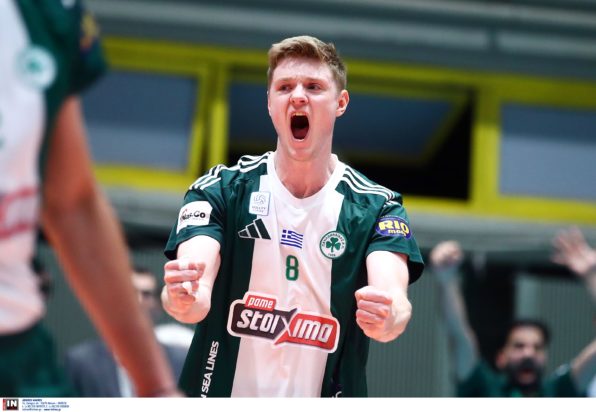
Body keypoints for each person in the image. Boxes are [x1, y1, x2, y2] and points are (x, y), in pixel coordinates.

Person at [161, 35, 425, 397]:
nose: (298, 96)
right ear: (270, 103)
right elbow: (192, 292)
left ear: (340, 103)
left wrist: (388, 317)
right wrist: (184, 297)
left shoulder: (377, 207)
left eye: (314, 87)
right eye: (285, 87)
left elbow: (393, 300)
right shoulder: (221, 189)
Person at [0, 0, 177, 397]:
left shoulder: (50, 14)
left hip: (20, 360)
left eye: (146, 296)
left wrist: (159, 389)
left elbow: (74, 203)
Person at [430, 239, 596, 397]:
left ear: (545, 358)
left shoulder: (558, 391)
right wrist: (447, 280)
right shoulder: (482, 388)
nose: (528, 354)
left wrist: (592, 276)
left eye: (537, 347)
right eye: (519, 346)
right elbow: (459, 335)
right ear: (501, 357)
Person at [64, 267, 193, 396]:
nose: (138, 300)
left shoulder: (181, 359)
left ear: (158, 304)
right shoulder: (82, 361)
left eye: (146, 294)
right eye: (130, 292)